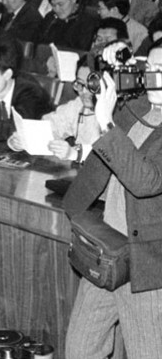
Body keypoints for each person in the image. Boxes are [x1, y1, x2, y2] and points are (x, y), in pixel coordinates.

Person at [64, 39, 162, 359]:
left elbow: (146, 181)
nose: (151, 77)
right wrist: (114, 55)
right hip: (109, 249)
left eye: (161, 70)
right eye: (150, 67)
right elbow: (105, 81)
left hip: (146, 262)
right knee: (80, 349)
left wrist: (105, 122)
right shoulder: (141, 106)